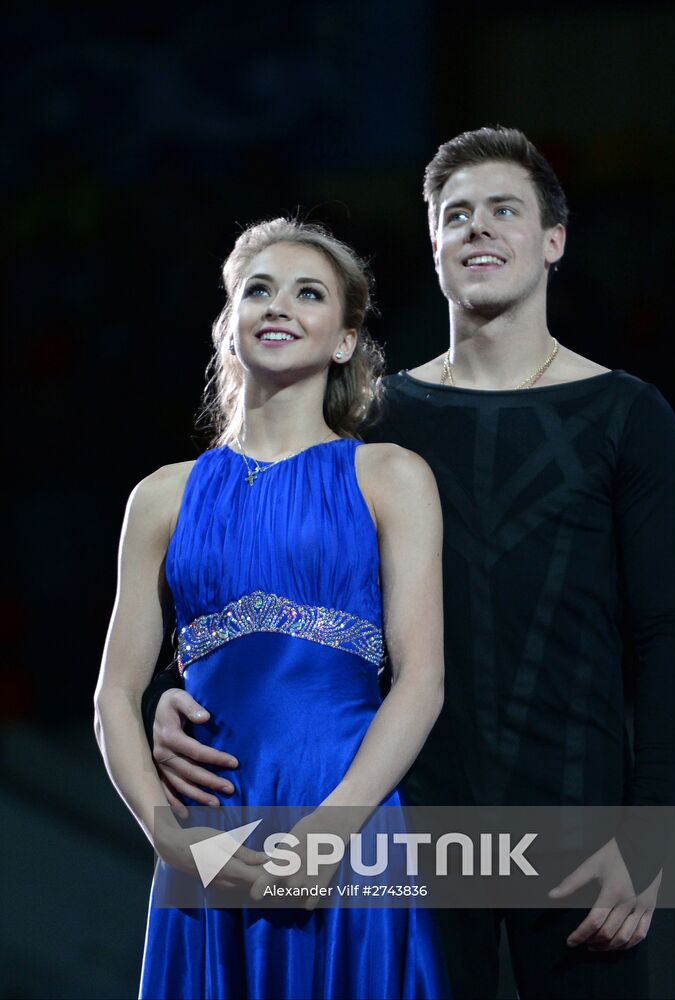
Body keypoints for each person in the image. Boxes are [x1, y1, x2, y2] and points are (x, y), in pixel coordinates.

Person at [143, 128, 675, 999]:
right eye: (455, 215)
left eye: (503, 210)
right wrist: (183, 696)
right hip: (410, 826)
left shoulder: (627, 414)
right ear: (434, 248)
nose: (478, 229)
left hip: (576, 819)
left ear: (552, 240)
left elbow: (668, 634)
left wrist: (650, 830)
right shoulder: (372, 431)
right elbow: (272, 581)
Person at [93, 218, 451, 1000]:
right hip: (209, 823)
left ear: (345, 339)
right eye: (258, 289)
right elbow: (114, 696)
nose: (278, 306)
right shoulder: (162, 496)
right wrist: (176, 844)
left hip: (344, 814)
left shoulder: (389, 476)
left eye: (308, 293)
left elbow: (421, 681)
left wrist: (329, 834)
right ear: (228, 325)